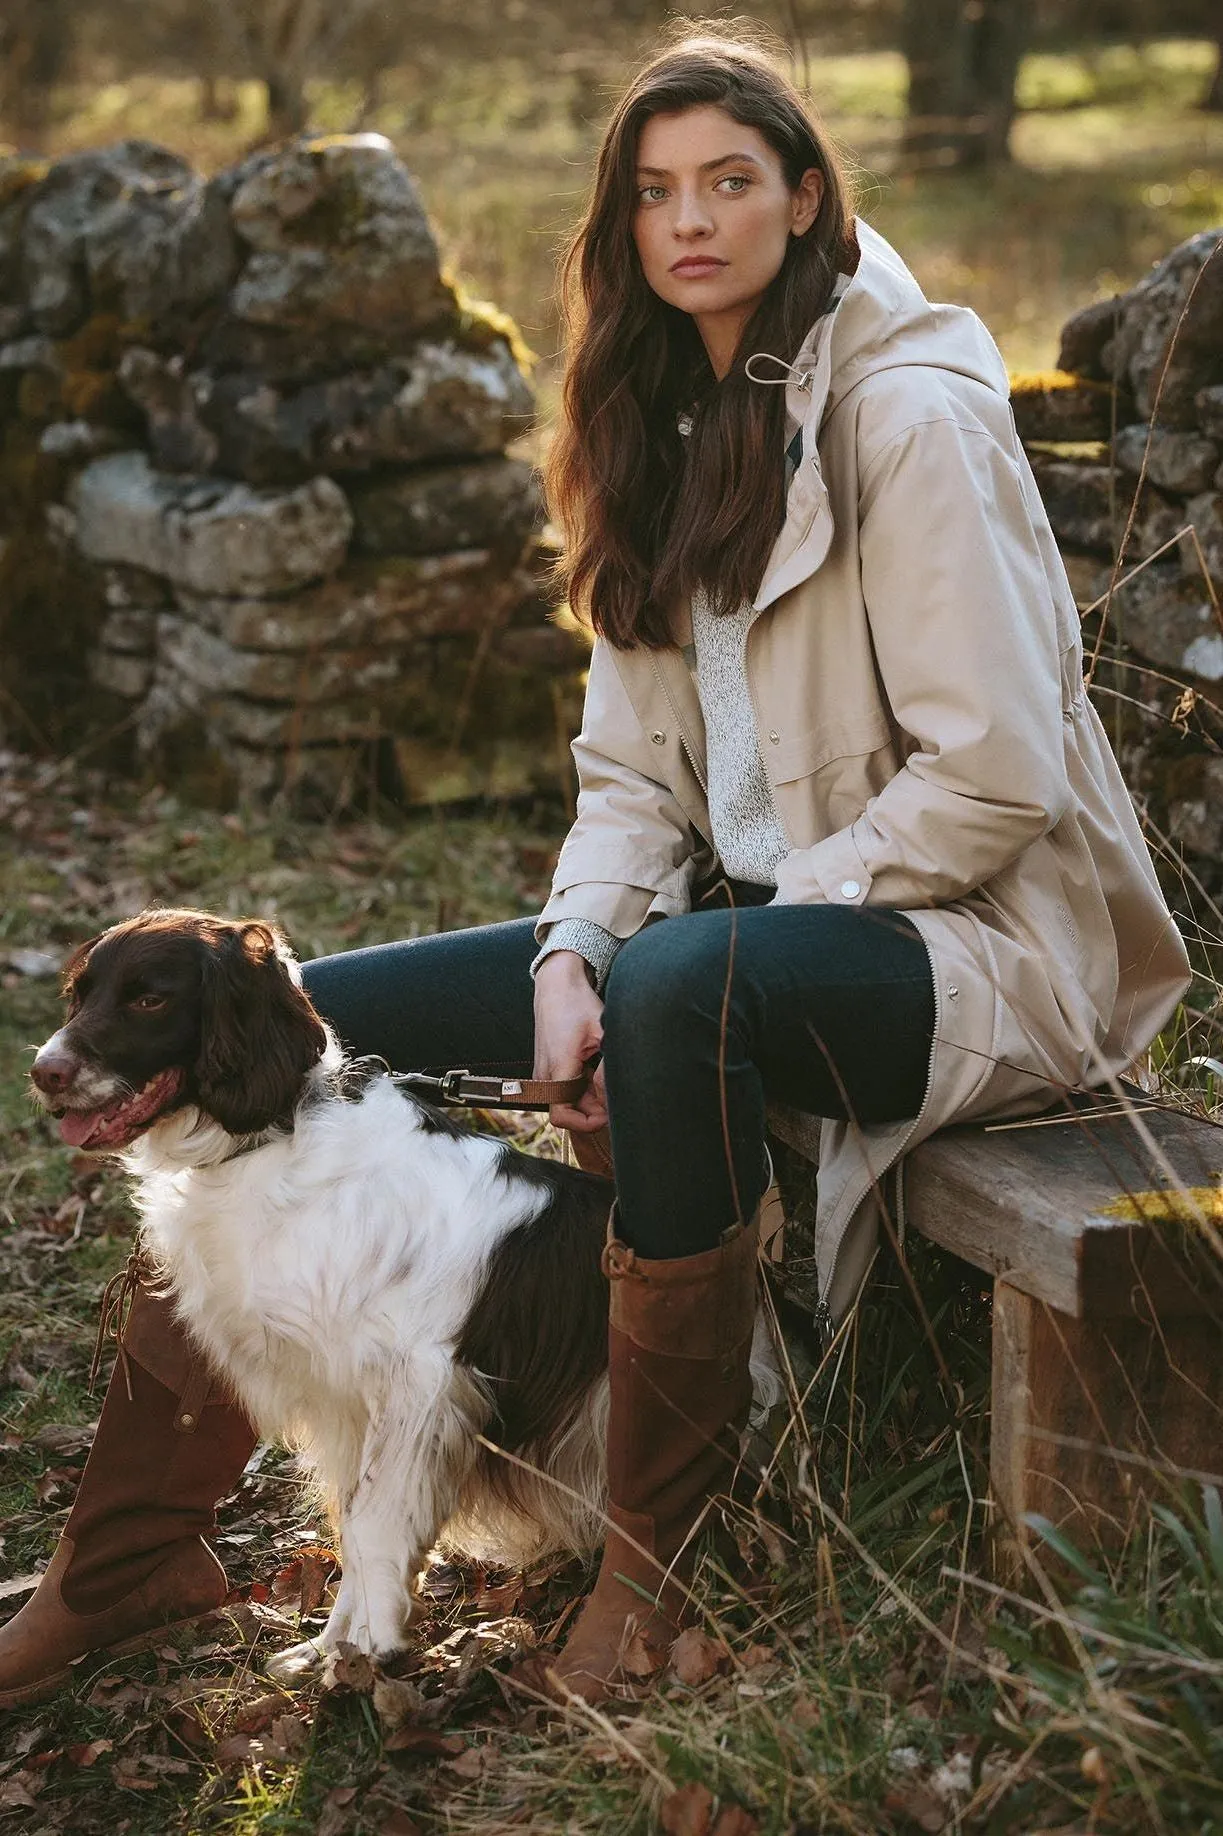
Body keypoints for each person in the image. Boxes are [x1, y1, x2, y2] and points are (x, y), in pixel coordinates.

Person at [0, 29, 1191, 1711]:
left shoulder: (908, 415)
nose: (690, 220)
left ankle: (652, 1565)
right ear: (621, 228)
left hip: (974, 943)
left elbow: (991, 774)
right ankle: (126, 1564)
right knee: (282, 1018)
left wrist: (708, 945)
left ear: (801, 197)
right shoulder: (656, 421)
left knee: (683, 985)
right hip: (733, 930)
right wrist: (568, 953)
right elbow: (632, 775)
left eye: (727, 181)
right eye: (653, 192)